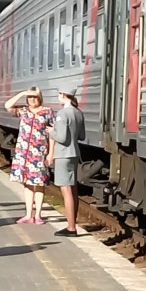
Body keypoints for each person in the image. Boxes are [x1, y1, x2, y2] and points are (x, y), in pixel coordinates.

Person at [5, 87, 52, 224]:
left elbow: (52, 133)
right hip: (23, 153)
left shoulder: (47, 112)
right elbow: (7, 105)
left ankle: (38, 215)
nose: (32, 99)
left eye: (35, 97)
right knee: (27, 183)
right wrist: (22, 93)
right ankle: (28, 214)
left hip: (39, 153)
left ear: (40, 97)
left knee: (39, 183)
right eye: (30, 97)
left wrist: (51, 153)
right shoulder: (23, 111)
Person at [50, 90, 87, 237]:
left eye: (59, 95)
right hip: (74, 154)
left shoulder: (62, 114)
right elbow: (82, 136)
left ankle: (71, 227)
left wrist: (50, 131)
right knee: (73, 190)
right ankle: (73, 223)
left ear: (64, 96)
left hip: (63, 155)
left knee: (66, 191)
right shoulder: (78, 113)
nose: (58, 97)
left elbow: (61, 137)